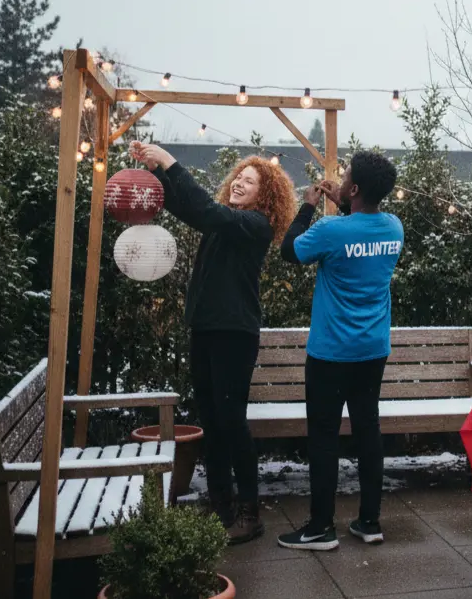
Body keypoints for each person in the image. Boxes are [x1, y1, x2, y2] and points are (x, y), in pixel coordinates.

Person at [131, 142, 296, 544]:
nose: (239, 183)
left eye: (250, 181)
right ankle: (220, 504)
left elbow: (205, 211)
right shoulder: (226, 221)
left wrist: (171, 162)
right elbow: (190, 209)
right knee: (212, 420)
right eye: (238, 178)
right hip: (205, 327)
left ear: (266, 194)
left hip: (234, 333)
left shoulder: (255, 226)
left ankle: (249, 512)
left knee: (231, 421)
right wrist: (158, 173)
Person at [276, 152, 403, 552]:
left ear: (356, 188)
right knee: (368, 430)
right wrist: (345, 202)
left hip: (331, 352)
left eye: (346, 177)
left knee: (325, 437)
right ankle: (369, 522)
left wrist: (310, 204)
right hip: (373, 349)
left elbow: (289, 250)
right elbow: (361, 227)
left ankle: (320, 528)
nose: (342, 179)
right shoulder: (394, 227)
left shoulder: (331, 230)